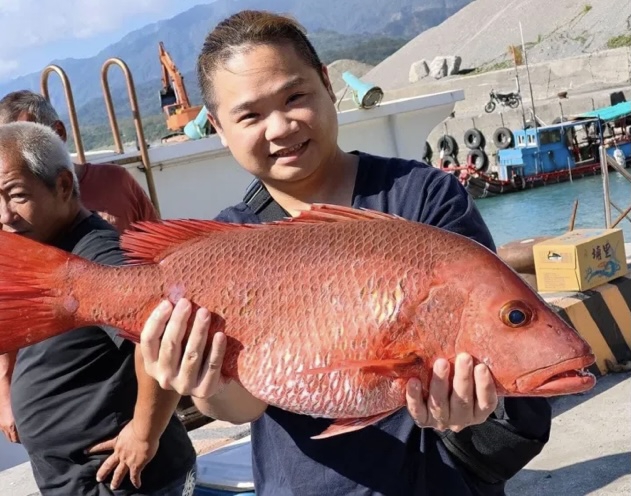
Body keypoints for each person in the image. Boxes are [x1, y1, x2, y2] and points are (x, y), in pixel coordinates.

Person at [138, 10, 552, 496]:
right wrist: (204, 383)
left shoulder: (423, 197)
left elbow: (484, 321)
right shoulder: (228, 239)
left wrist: (473, 402)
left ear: (327, 84)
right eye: (250, 115)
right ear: (218, 127)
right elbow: (244, 407)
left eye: (295, 97)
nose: (280, 127)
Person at [0, 121, 196, 495]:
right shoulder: (52, 250)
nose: (5, 215)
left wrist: (143, 433)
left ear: (61, 186)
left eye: (16, 195)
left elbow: (165, 332)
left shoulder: (99, 257)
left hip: (123, 482)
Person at [0, 90, 159, 233]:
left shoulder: (116, 182)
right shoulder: (6, 211)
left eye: (26, 142)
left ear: (58, 132)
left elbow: (158, 244)